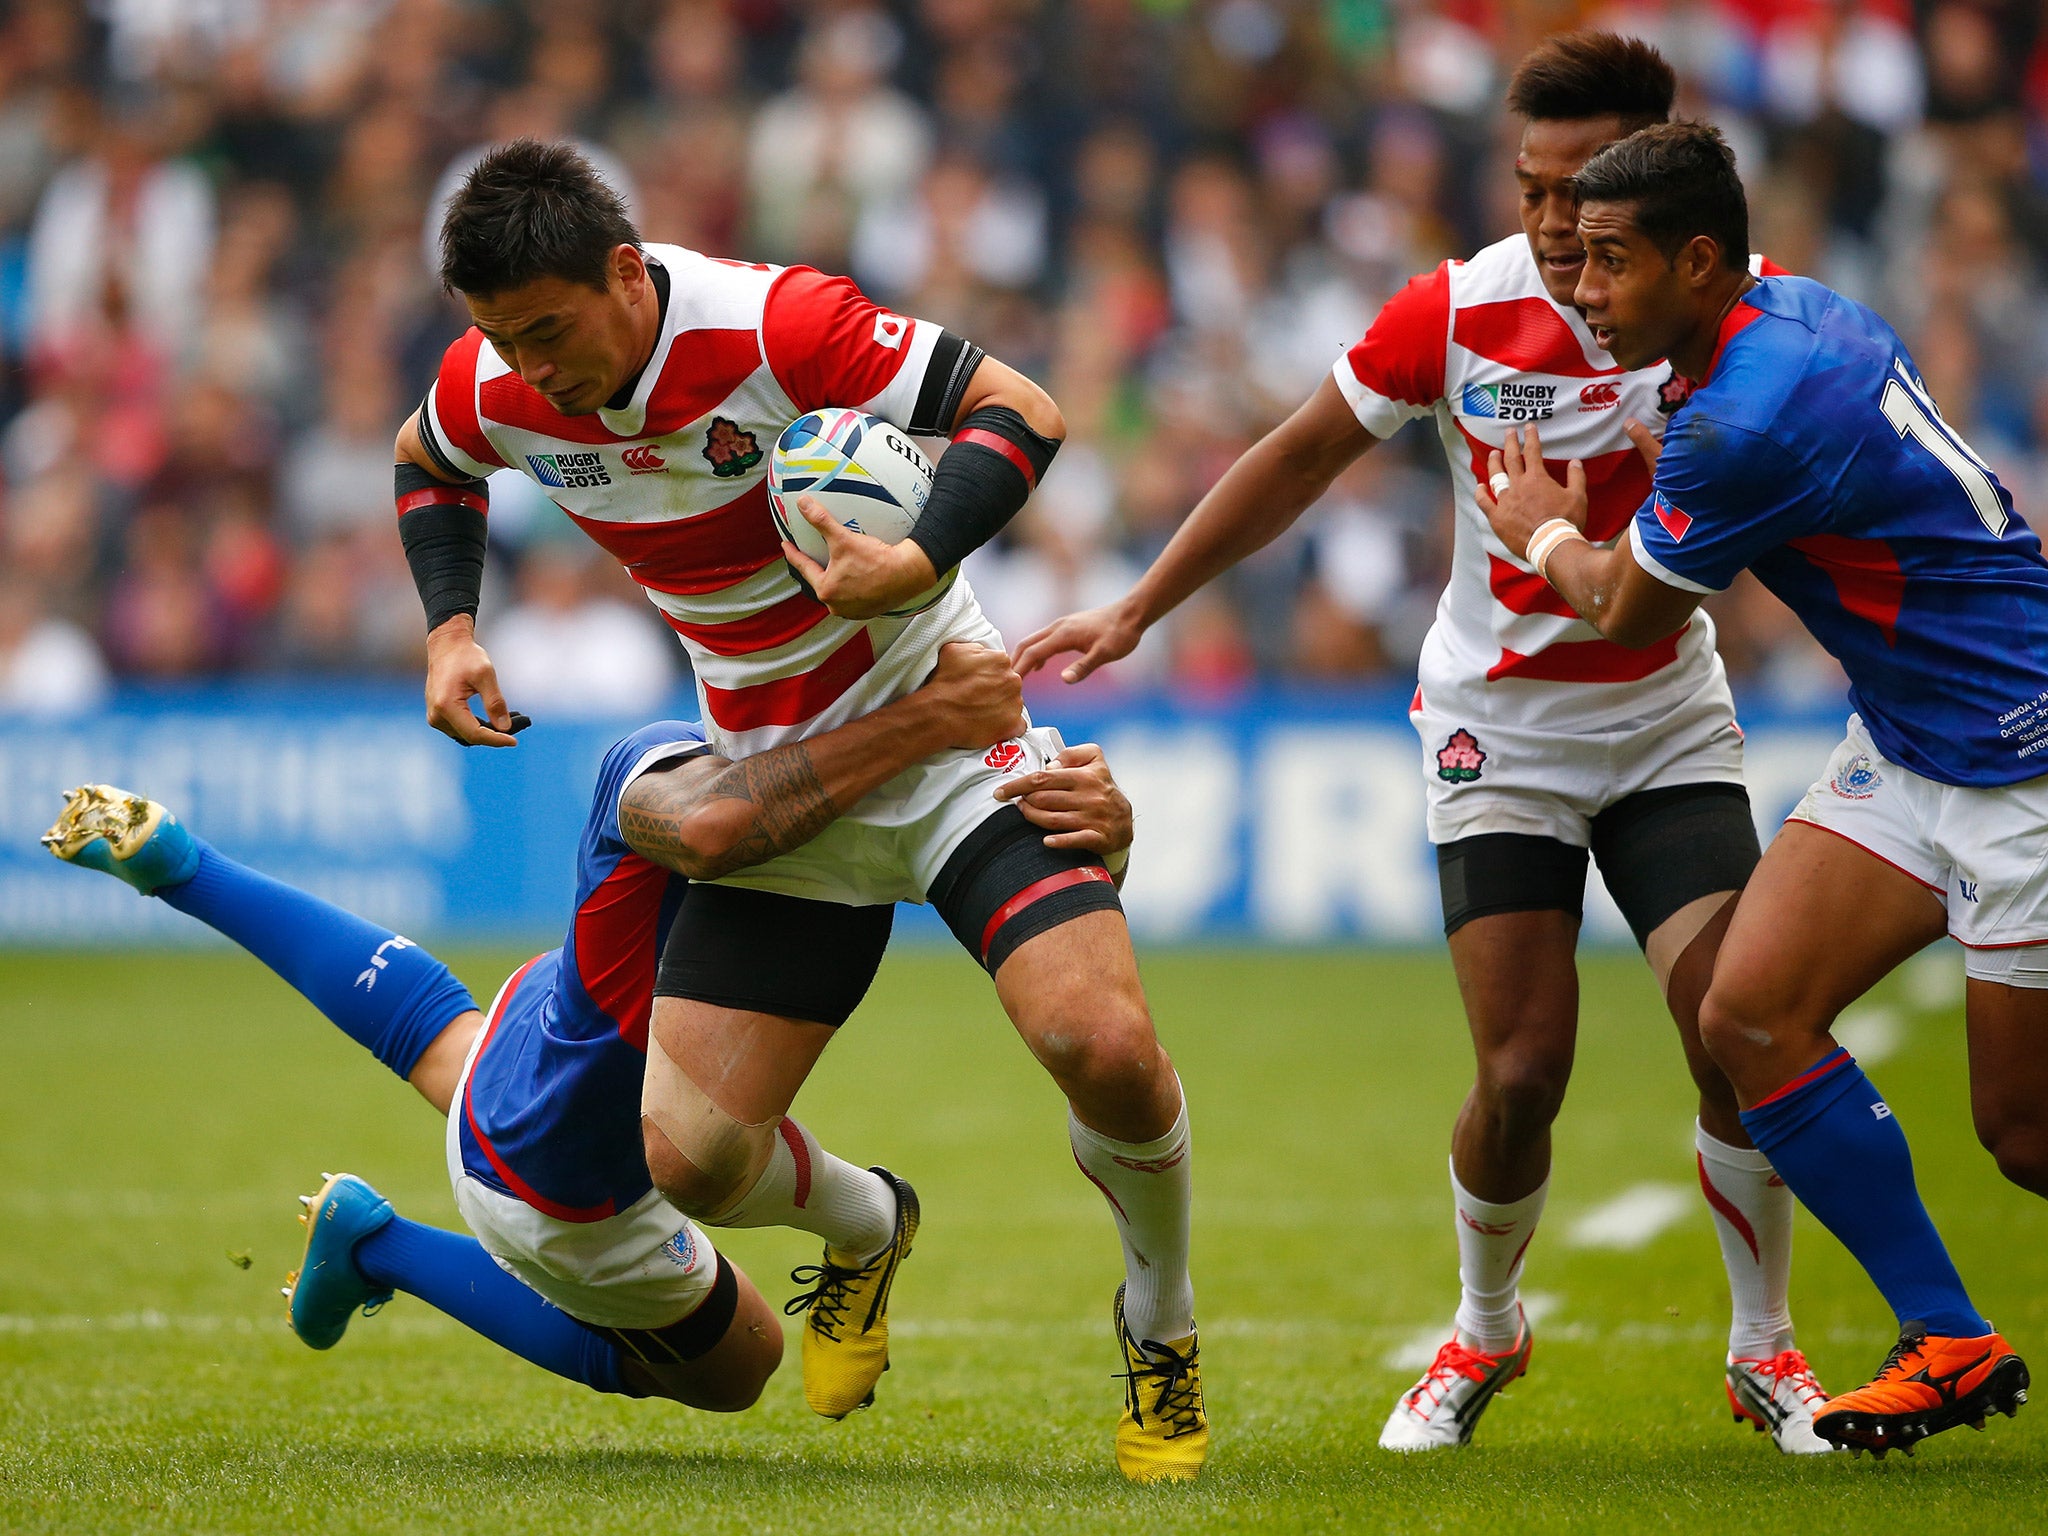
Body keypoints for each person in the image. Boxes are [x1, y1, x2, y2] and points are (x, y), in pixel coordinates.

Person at [1015, 34, 1821, 1453]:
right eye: (1533, 187)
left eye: (1586, 190)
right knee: (1519, 1074)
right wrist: (1143, 603)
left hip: (1663, 719)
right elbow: (1296, 455)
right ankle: (1485, 1329)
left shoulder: (1730, 315)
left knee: (1730, 1035)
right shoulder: (1457, 312)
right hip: (1498, 731)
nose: (1557, 222)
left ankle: (1766, 1349)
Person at [391, 139, 1203, 1479]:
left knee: (1099, 1045)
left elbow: (1024, 410)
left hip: (947, 734)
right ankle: (870, 1224)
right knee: (693, 1163)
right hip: (775, 781)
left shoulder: (773, 322)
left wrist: (920, 557)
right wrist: (450, 630)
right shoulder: (497, 382)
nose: (528, 373)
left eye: (545, 333)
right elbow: (429, 460)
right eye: (499, 343)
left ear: (620, 272)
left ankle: (1160, 1329)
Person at [42, 644, 1130, 1414]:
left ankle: (189, 867)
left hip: (539, 1034)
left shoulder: (672, 747)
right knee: (732, 1364)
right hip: (561, 1185)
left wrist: (1085, 819)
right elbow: (796, 827)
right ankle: (385, 1246)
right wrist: (938, 734)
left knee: (441, 1036)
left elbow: (902, 829)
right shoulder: (699, 809)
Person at [1478, 119, 2041, 1457]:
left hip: (2021, 752)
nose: (1584, 289)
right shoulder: (1787, 313)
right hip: (1913, 737)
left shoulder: (1745, 417)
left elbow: (1619, 608)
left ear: (1699, 259)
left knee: (2023, 1132)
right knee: (1749, 1014)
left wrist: (1541, 528)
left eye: (1612, 263)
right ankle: (1951, 1341)